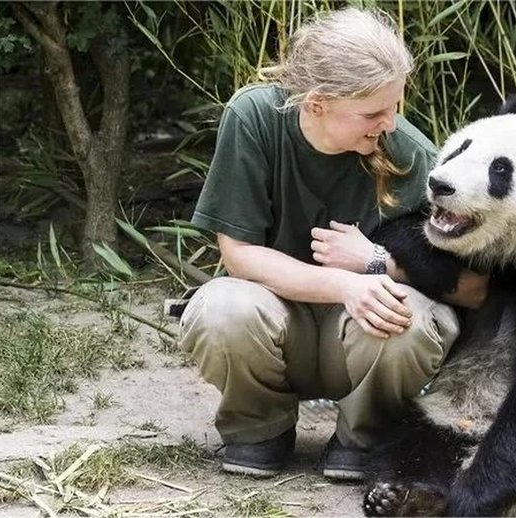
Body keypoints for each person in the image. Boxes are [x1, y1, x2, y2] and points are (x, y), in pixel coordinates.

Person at [178, 7, 487, 480]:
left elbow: (475, 287)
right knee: (219, 307)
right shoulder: (253, 117)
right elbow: (237, 255)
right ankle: (259, 428)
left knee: (409, 314)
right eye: (373, 112)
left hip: (367, 339)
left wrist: (377, 263)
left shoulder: (413, 153)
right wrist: (344, 286)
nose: (388, 124)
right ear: (317, 103)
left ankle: (365, 437)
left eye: (395, 107)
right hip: (280, 327)